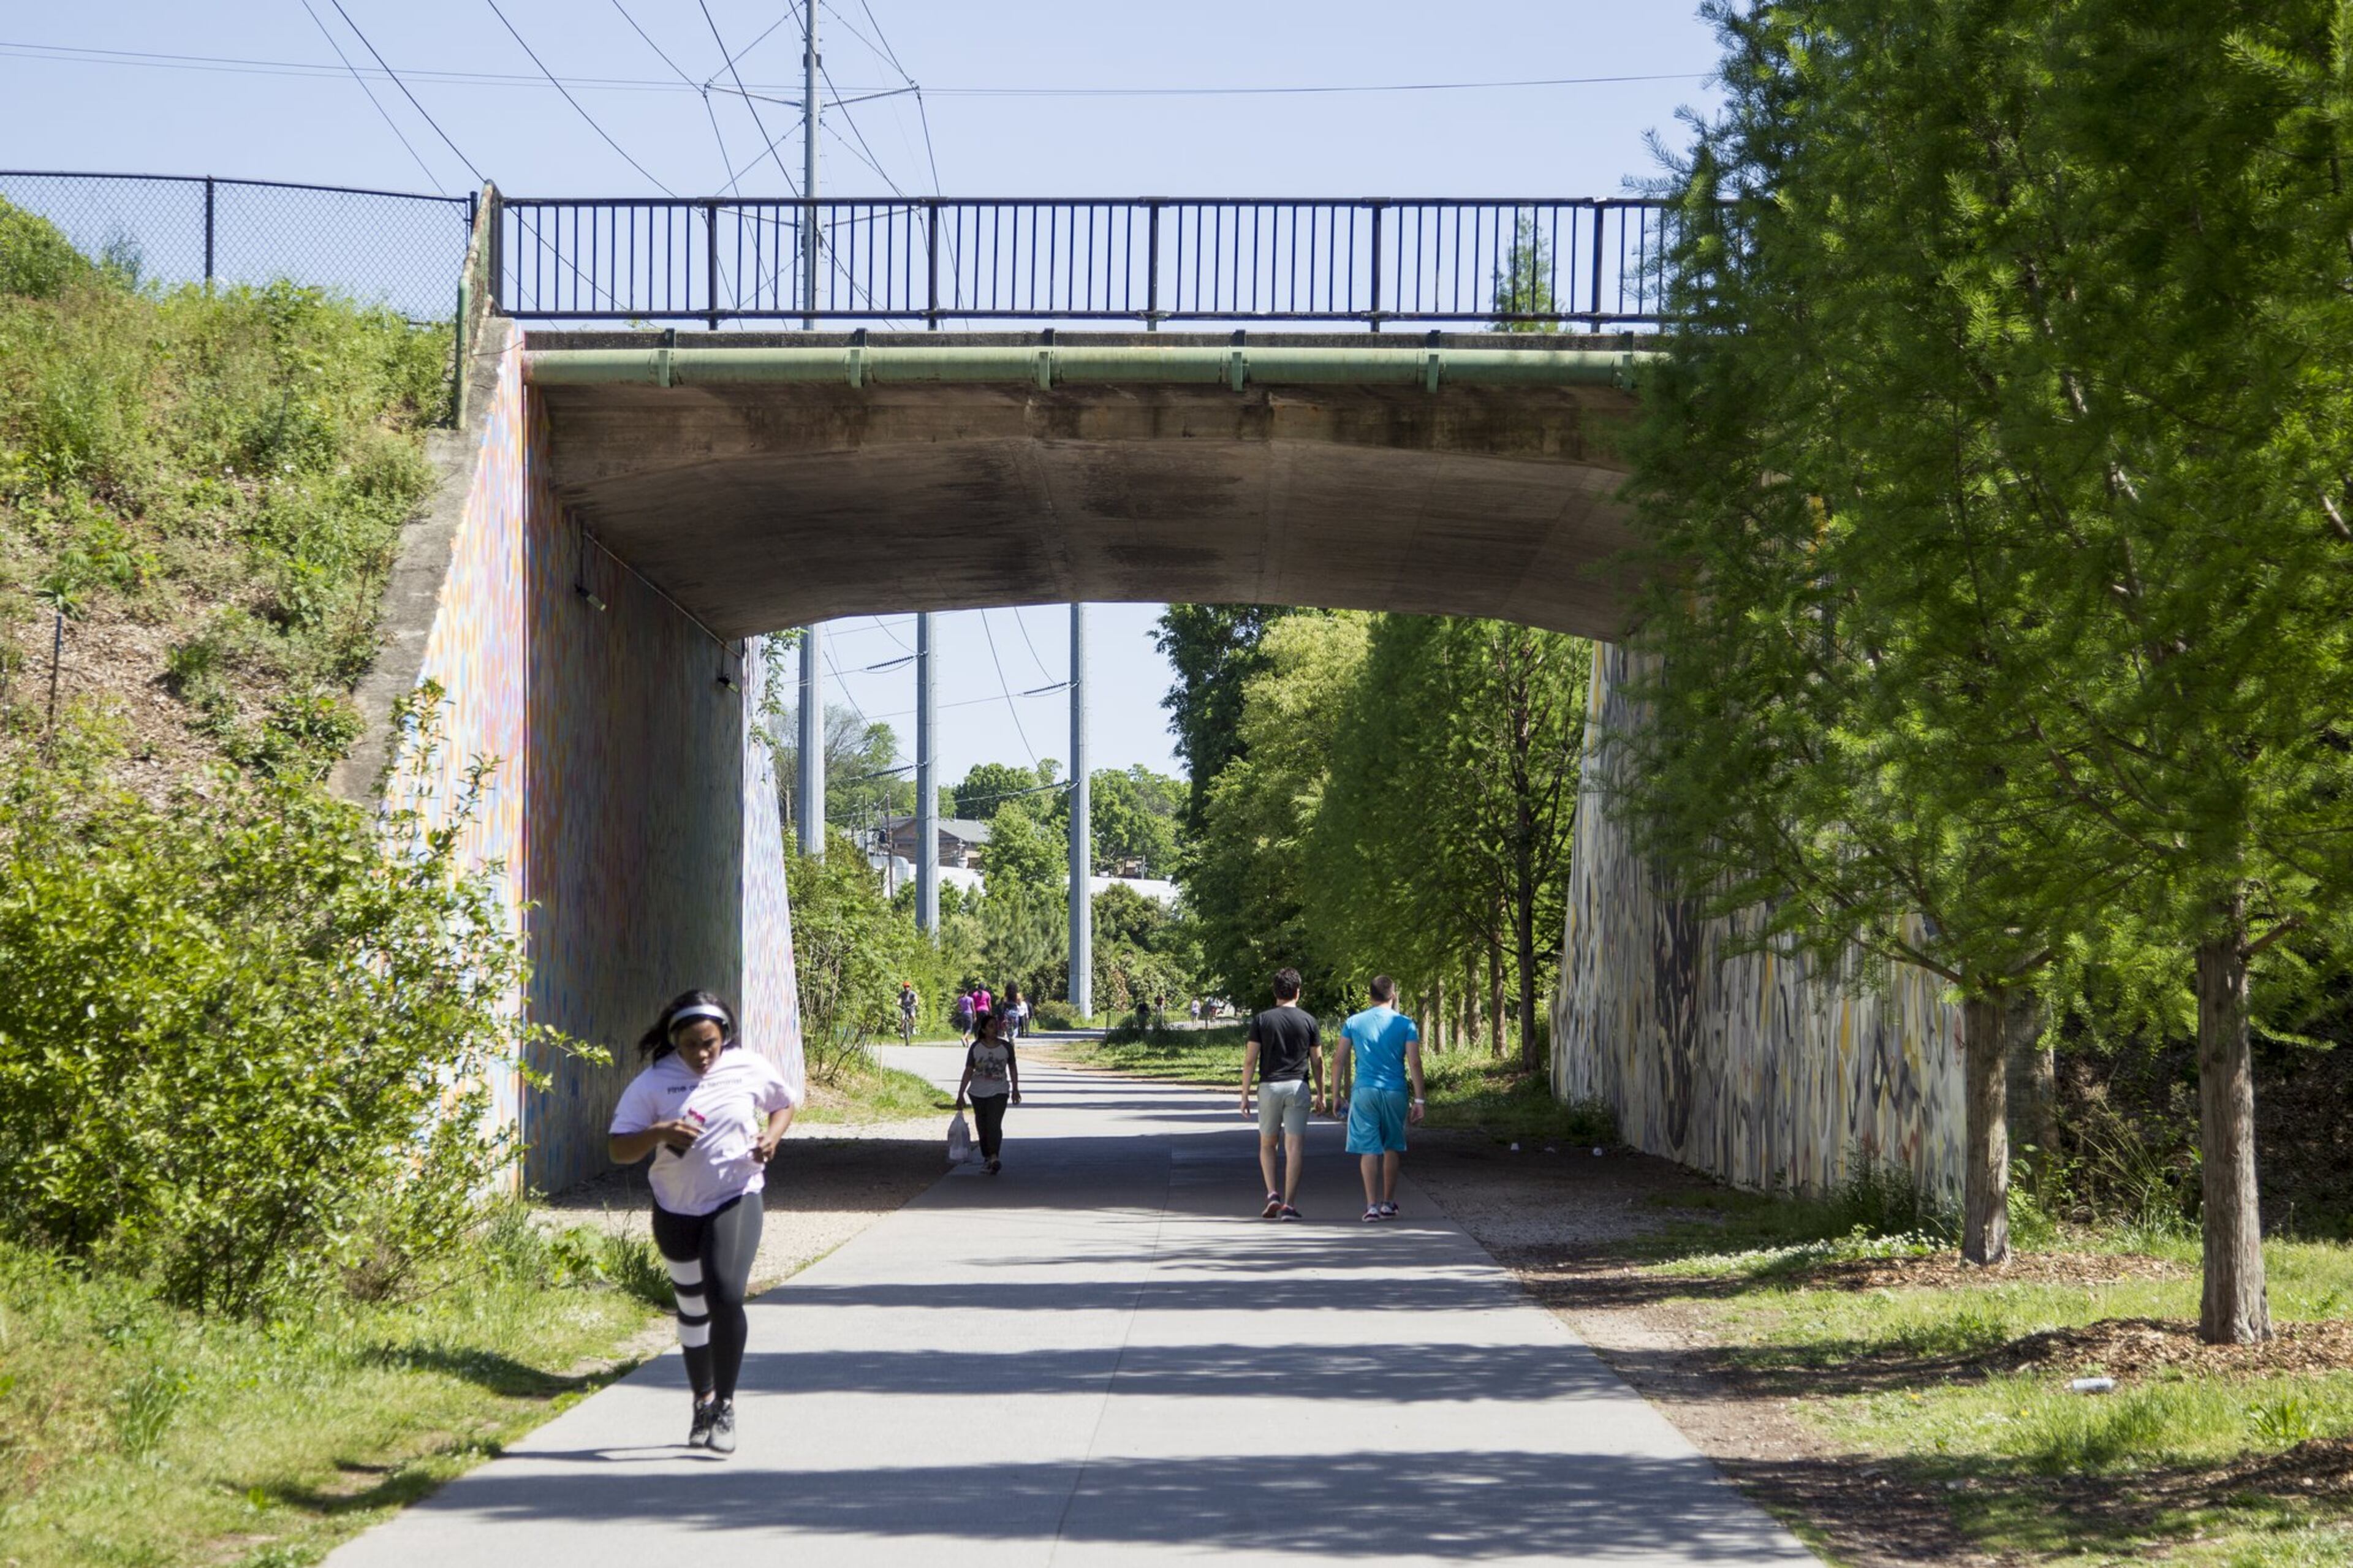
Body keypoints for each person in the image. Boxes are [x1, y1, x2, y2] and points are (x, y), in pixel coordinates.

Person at [607, 990, 798, 1453]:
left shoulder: (746, 1066)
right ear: (675, 1040)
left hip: (736, 1194)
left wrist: (772, 1137)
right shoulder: (653, 1082)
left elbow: (784, 1102)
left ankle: (726, 1405)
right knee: (692, 1309)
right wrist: (659, 1132)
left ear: (725, 1036)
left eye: (710, 1042)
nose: (701, 1053)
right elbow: (618, 1148)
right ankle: (703, 1401)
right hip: (675, 1206)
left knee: (727, 1293)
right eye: (691, 1044)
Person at [1331, 974, 1423, 1222]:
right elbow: (1414, 1062)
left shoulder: (1354, 1022)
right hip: (1395, 1090)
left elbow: (1339, 1060)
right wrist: (1420, 1100)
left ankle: (1371, 1206)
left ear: (1370, 996)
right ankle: (1388, 1203)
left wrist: (1336, 1094)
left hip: (1364, 1091)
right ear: (1393, 995)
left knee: (1368, 1149)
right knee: (1392, 1146)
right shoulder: (1406, 1024)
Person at [1239, 967, 1322, 1219]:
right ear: (1298, 992)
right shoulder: (1309, 1021)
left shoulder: (1262, 1020)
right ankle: (1290, 1205)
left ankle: (1272, 1193)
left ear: (1275, 992)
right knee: (1294, 1146)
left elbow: (1250, 1061)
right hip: (1298, 1087)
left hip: (1269, 1087)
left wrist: (1244, 1094)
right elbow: (1318, 1061)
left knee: (1267, 1143)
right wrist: (1322, 1092)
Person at [953, 1006, 1022, 1173]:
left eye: (996, 1025)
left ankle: (994, 1157)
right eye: (991, 1026)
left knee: (994, 1124)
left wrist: (1015, 1089)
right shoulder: (976, 1047)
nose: (995, 1028)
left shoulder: (1006, 1047)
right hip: (977, 1092)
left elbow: (1012, 1068)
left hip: (1000, 1091)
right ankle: (987, 1157)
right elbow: (969, 1070)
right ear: (983, 1029)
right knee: (982, 1126)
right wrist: (961, 1093)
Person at [898, 980, 920, 1046]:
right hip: (904, 1008)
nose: (906, 988)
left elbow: (916, 1000)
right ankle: (902, 1031)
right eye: (905, 987)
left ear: (910, 987)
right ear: (904, 987)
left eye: (908, 987)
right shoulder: (902, 994)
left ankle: (913, 1027)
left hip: (911, 1008)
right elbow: (899, 1000)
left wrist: (916, 1004)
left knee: (913, 1016)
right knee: (903, 1017)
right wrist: (898, 1003)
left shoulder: (913, 994)